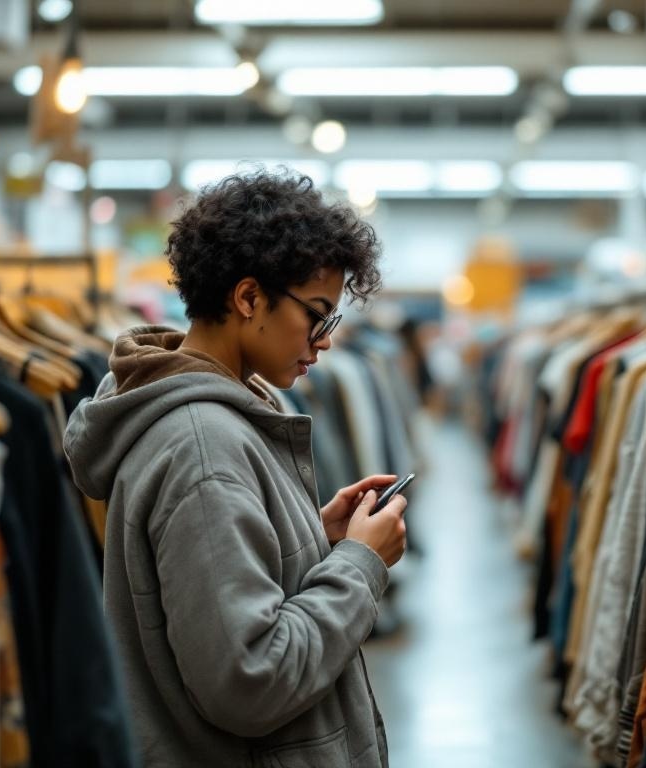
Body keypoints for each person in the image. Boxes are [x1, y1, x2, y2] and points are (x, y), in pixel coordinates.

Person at [64, 170, 408, 767]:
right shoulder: (204, 445)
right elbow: (250, 679)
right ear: (249, 298)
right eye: (318, 315)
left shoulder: (218, 420)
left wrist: (314, 539)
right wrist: (360, 565)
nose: (324, 341)